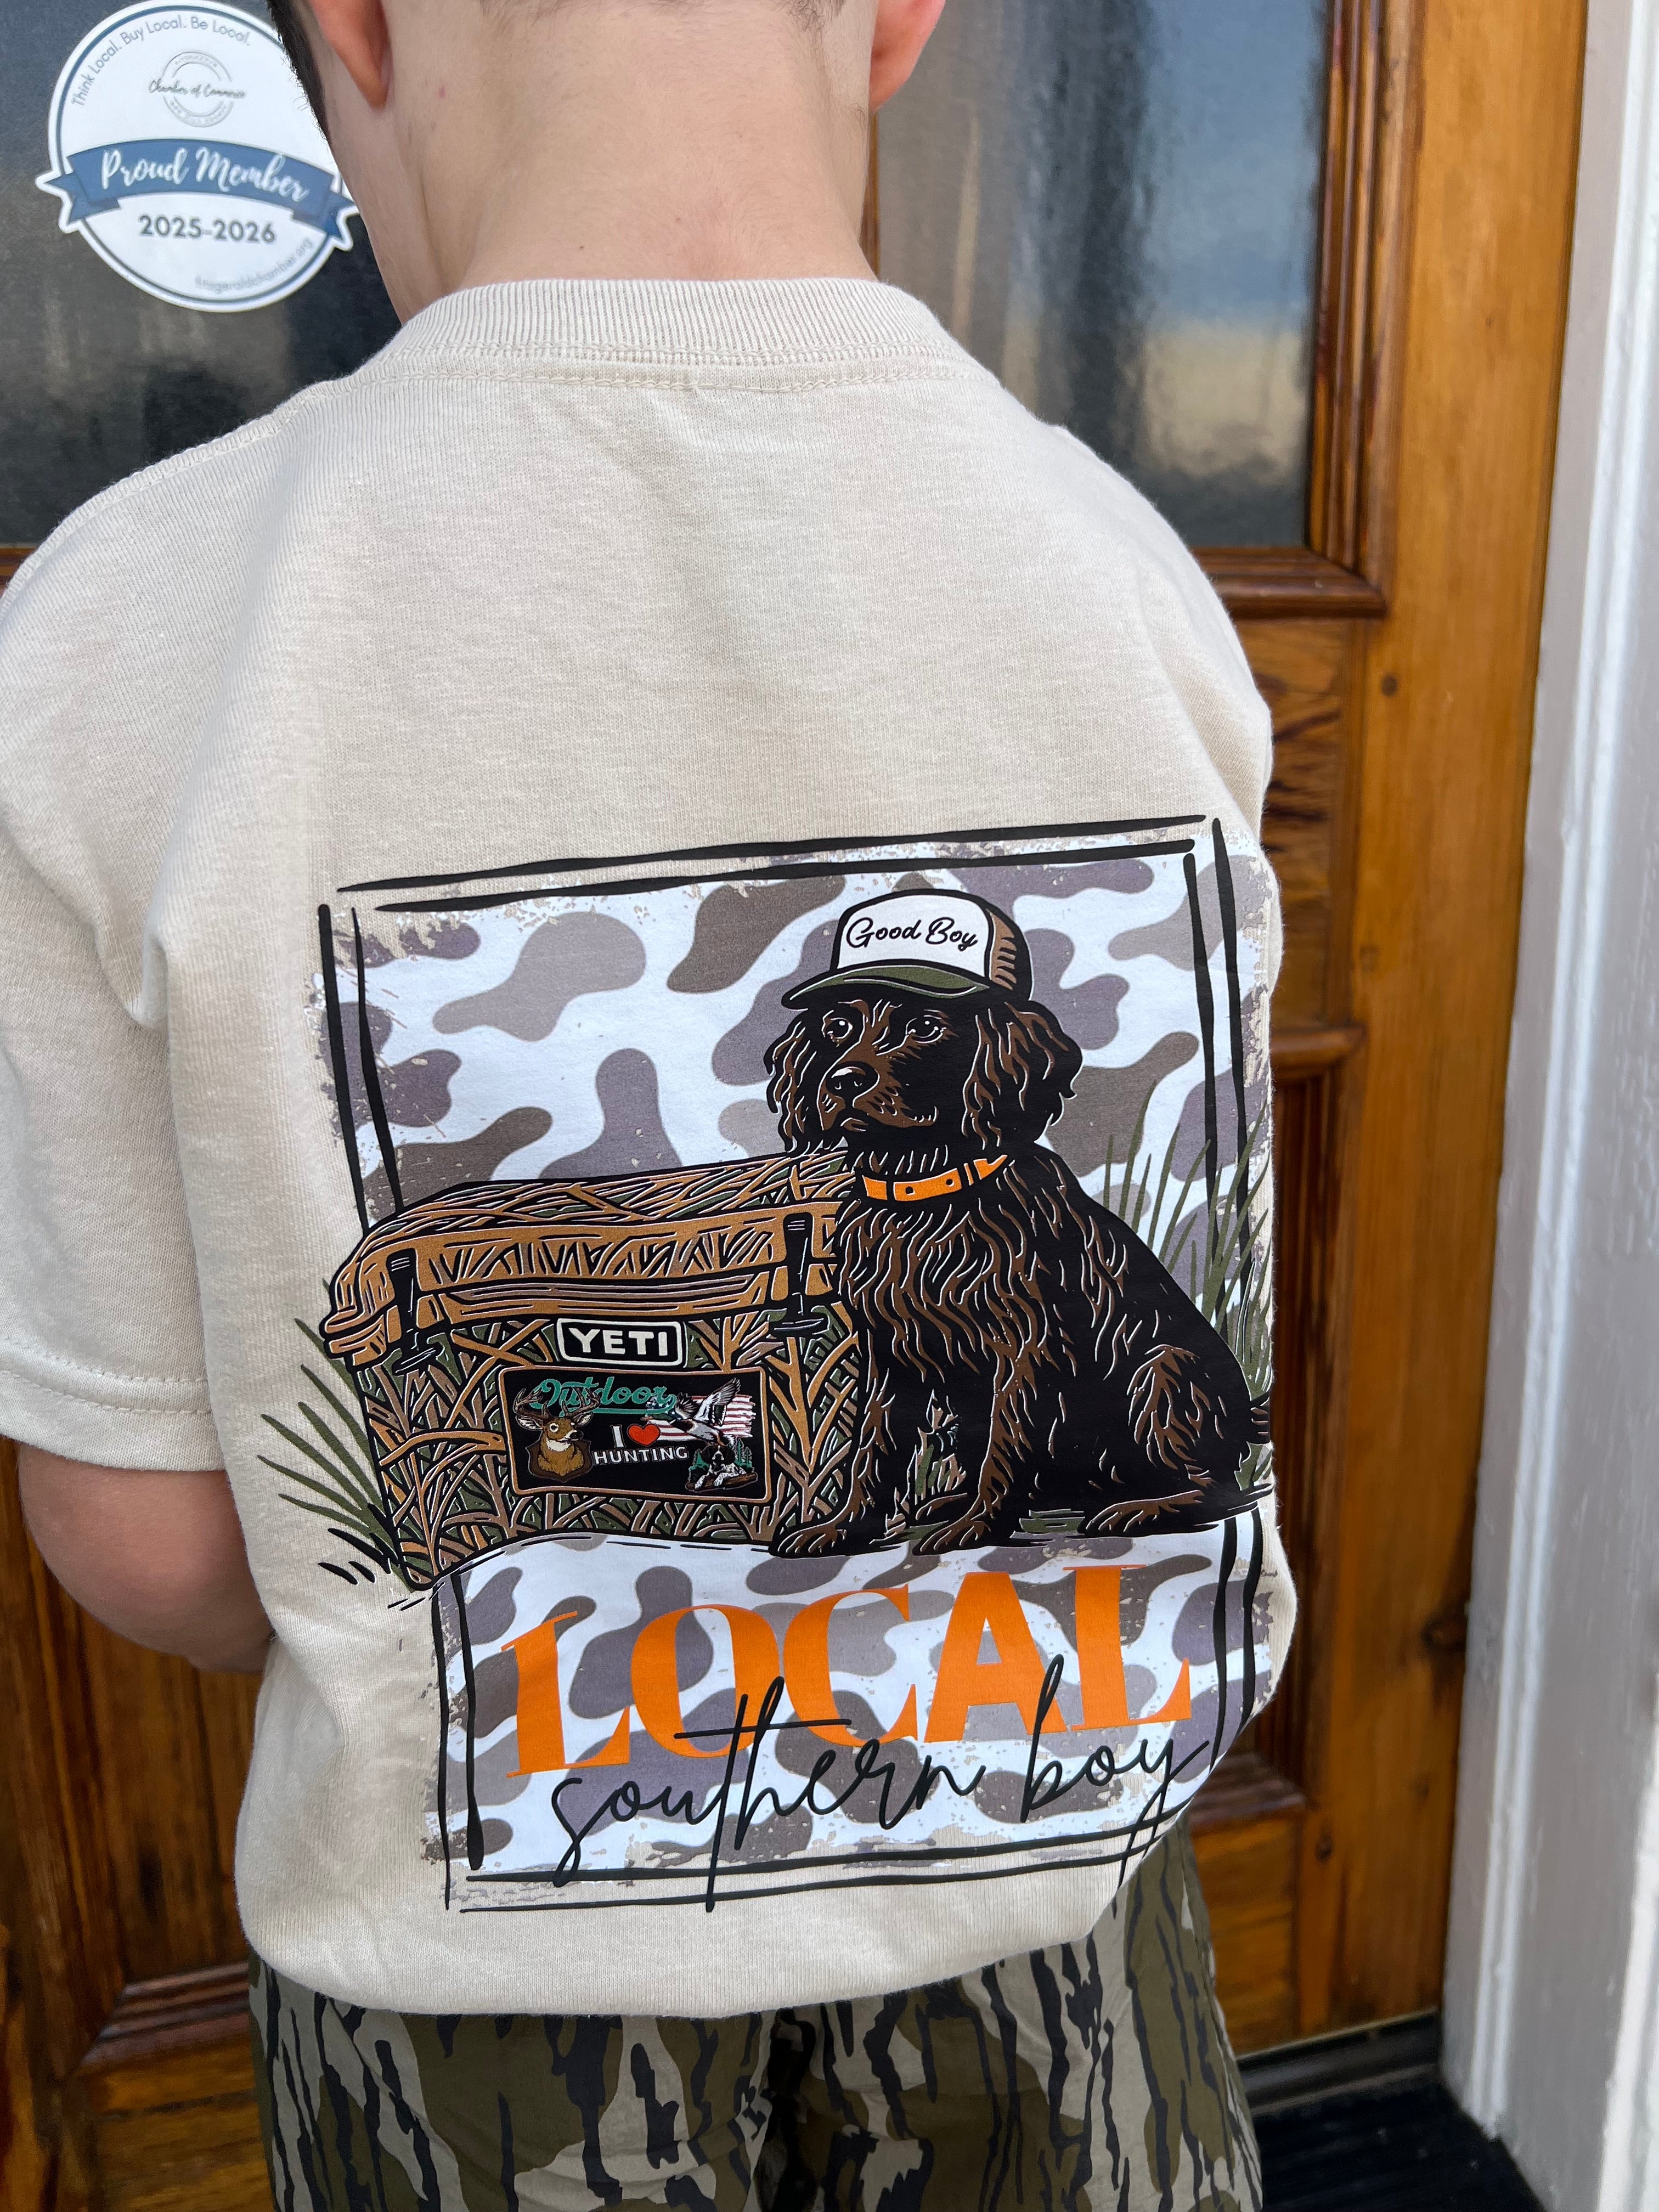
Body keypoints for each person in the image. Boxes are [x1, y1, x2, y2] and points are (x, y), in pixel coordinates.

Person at [0, 0, 1296, 2202]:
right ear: (898, 20)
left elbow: (157, 1539)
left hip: (479, 1983)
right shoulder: (1123, 571)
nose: (857, 1075)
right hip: (1048, 1876)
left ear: (355, 30)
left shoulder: (126, 622)